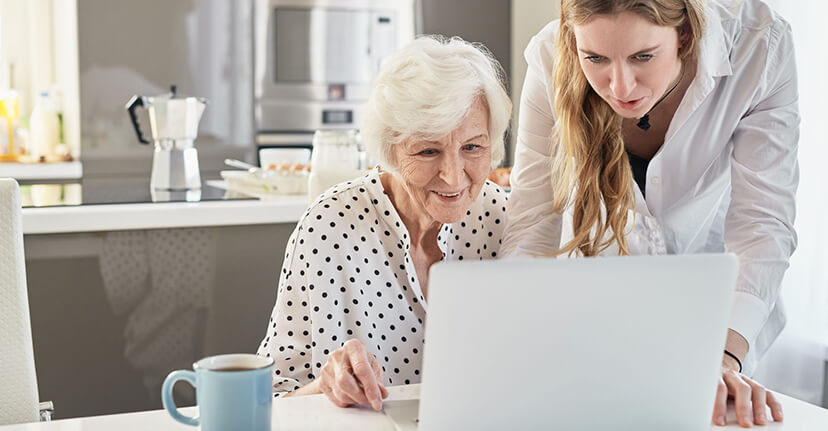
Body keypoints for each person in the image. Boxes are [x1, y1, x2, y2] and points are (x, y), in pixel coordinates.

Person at [502, 0, 798, 427]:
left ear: (684, 35)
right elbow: (533, 222)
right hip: (593, 331)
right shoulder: (550, 55)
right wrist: (518, 341)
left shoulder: (758, 46)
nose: (620, 87)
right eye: (596, 58)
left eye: (643, 56)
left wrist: (726, 357)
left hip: (720, 322)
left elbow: (762, 226)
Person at [257, 36, 512, 410]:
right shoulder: (328, 227)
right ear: (389, 148)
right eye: (428, 151)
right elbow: (269, 401)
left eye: (472, 147)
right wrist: (327, 385)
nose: (454, 177)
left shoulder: (508, 221)